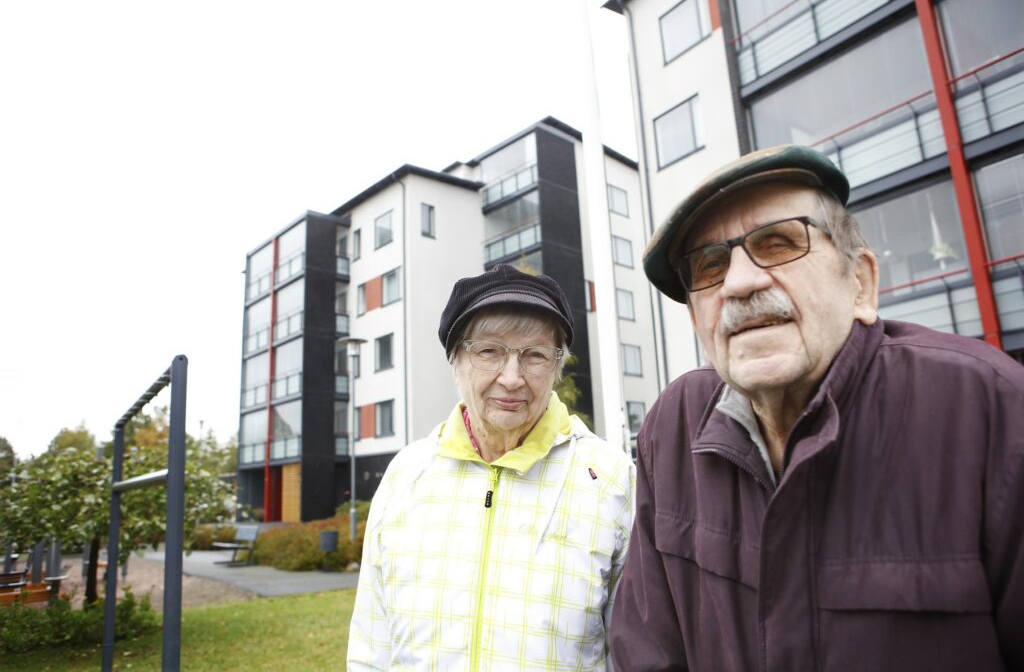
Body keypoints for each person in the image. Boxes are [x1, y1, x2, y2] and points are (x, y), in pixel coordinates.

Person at [609, 145, 1024, 671]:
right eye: (710, 265)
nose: (739, 282)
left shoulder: (990, 411)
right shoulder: (672, 428)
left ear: (860, 284)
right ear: (698, 322)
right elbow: (646, 653)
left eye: (779, 242)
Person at [348, 264, 635, 671]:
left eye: (535, 355)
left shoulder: (609, 479)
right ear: (455, 361)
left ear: (557, 367)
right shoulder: (406, 475)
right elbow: (371, 644)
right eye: (489, 352)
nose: (512, 378)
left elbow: (635, 652)